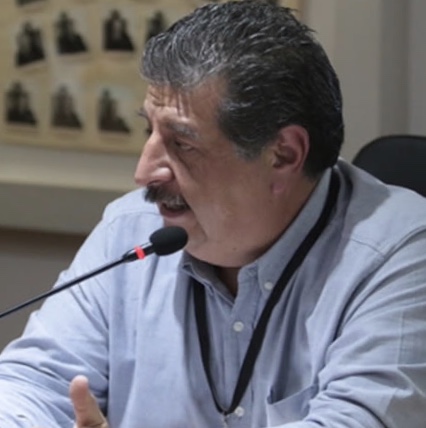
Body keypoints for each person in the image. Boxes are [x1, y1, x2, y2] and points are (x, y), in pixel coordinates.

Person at [1, 1, 426, 427]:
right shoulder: (130, 230)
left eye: (183, 144)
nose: (143, 173)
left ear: (283, 154)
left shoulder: (400, 255)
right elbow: (32, 381)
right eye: (149, 131)